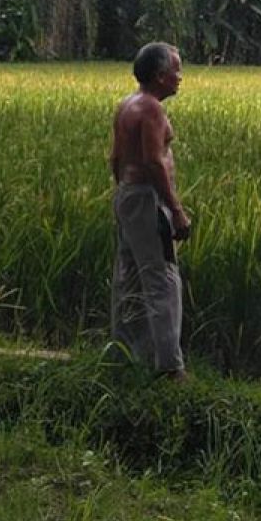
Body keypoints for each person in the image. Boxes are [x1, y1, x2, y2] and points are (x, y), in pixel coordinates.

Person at [108, 42, 192, 380]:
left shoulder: (127, 105)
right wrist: (176, 209)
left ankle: (124, 354)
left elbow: (115, 158)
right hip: (146, 200)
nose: (181, 77)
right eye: (177, 69)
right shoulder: (153, 110)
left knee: (128, 275)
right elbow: (155, 163)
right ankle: (170, 368)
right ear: (160, 76)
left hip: (129, 196)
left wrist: (125, 195)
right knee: (163, 279)